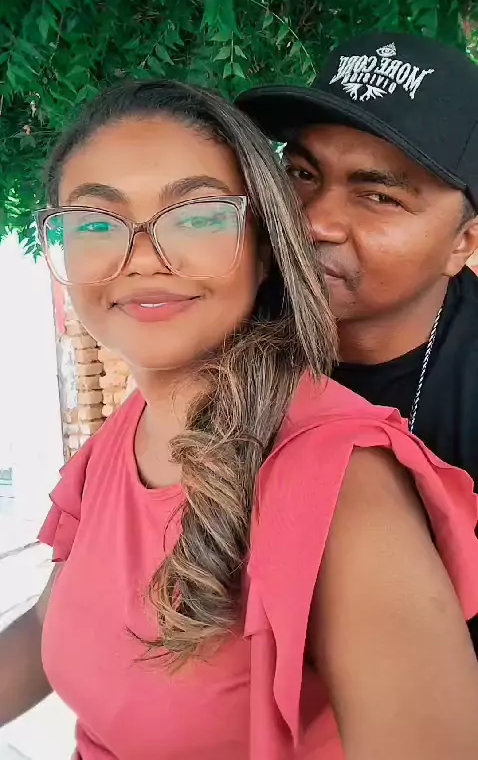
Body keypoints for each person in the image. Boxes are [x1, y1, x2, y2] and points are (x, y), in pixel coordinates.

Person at [0, 80, 477, 760]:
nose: (143, 257)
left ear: (265, 245)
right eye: (97, 223)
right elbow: (51, 622)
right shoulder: (127, 434)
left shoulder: (343, 485)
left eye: (197, 217)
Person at [235, 31, 478, 486]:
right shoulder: (231, 321)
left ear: (461, 242)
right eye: (302, 173)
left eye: (379, 197)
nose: (314, 223)